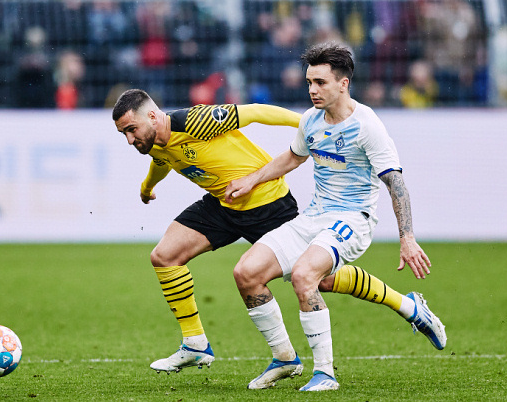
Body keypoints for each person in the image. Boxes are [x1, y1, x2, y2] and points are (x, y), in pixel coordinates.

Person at [112, 88, 443, 390]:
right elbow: (163, 160)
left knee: (319, 279)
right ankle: (198, 344)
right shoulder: (154, 141)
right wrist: (148, 186)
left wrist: (306, 125)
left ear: (152, 116)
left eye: (131, 129)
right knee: (164, 256)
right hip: (223, 203)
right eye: (124, 133)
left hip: (266, 201)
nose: (129, 139)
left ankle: (407, 305)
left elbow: (256, 111)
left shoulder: (196, 121)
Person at [225, 42, 447, 392]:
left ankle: (325, 374)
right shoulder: (311, 120)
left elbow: (395, 182)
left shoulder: (367, 125)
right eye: (309, 82)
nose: (312, 90)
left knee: (304, 276)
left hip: (353, 219)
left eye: (320, 83)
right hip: (315, 215)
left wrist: (407, 238)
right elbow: (294, 156)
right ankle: (284, 358)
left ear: (343, 84)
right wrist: (252, 180)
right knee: (246, 273)